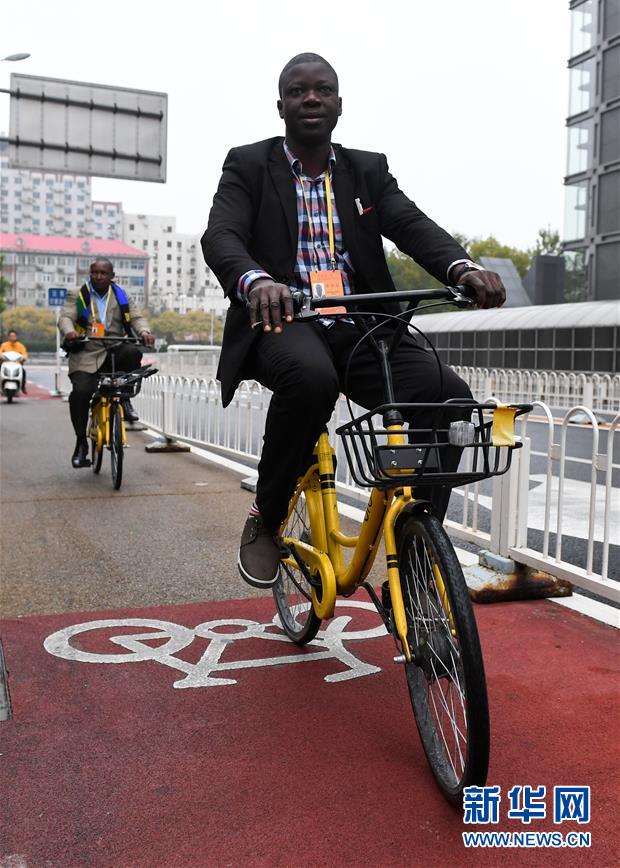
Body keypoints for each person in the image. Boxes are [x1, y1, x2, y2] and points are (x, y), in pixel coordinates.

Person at [202, 52, 506, 590]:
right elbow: (220, 236)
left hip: (364, 324)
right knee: (311, 380)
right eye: (298, 91)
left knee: (449, 398)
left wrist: (464, 266)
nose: (311, 98)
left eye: (322, 90)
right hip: (285, 320)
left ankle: (418, 548)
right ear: (281, 106)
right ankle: (266, 518)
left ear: (340, 104)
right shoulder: (248, 164)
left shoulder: (368, 169)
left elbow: (413, 225)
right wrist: (257, 281)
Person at [58, 258, 154, 468]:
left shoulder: (121, 295)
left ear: (112, 276)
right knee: (81, 393)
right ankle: (81, 442)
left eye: (103, 273)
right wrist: (70, 331)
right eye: (95, 273)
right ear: (90, 274)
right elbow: (65, 317)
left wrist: (145, 332)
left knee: (132, 352)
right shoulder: (78, 294)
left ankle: (125, 399)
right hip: (86, 351)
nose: (99, 277)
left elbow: (137, 318)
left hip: (114, 349)